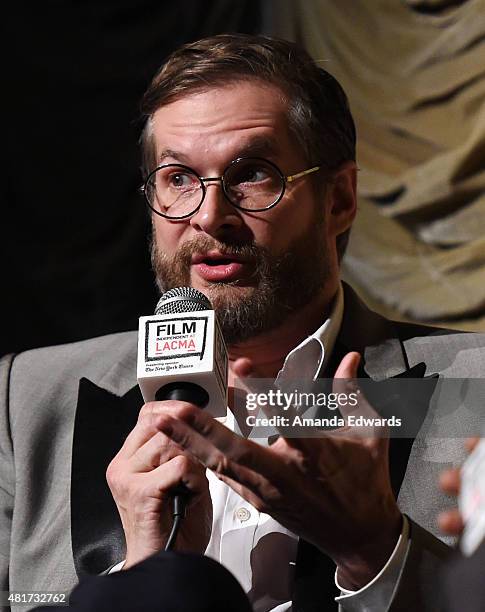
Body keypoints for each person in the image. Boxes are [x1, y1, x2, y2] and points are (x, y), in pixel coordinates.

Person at [2, 33, 485, 612]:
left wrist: (374, 551)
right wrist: (136, 580)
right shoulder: (30, 398)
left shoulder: (475, 389)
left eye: (252, 174)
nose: (209, 216)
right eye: (178, 178)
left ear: (339, 200)